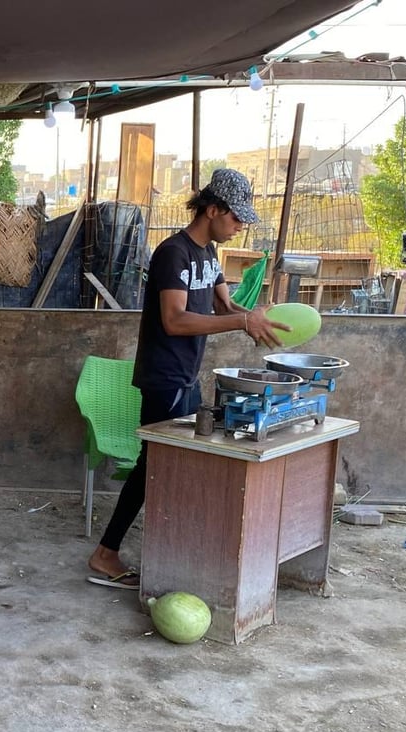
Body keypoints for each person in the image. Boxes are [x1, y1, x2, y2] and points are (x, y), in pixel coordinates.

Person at [86, 168, 289, 590]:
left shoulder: (209, 256)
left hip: (187, 377)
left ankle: (171, 548)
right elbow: (175, 320)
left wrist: (253, 315)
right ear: (212, 209)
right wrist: (240, 321)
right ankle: (107, 552)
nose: (240, 227)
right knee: (154, 466)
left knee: (172, 465)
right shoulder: (173, 253)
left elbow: (223, 306)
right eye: (236, 219)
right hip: (163, 378)